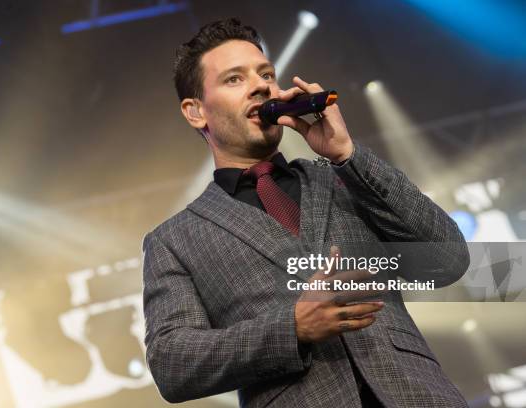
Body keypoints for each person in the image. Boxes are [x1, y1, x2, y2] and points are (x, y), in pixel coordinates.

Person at [142, 18, 470, 407]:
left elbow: (448, 258)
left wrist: (347, 154)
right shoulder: (174, 240)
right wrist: (291, 329)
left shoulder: (345, 178)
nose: (262, 85)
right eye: (235, 79)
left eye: (267, 74)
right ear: (196, 112)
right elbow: (172, 364)